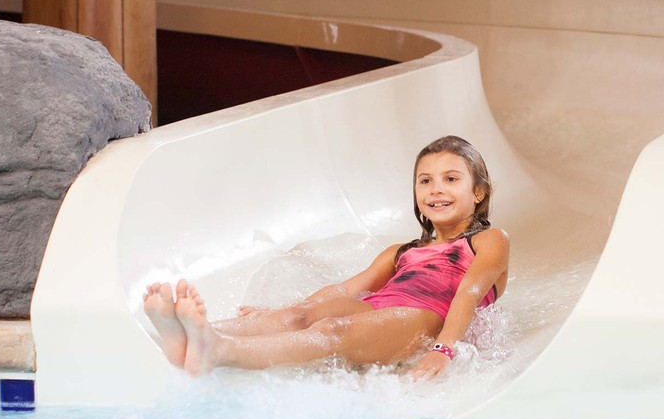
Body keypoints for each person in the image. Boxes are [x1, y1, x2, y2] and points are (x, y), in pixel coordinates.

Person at [143, 135, 510, 381]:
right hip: (382, 310)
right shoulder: (403, 251)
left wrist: (444, 349)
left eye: (451, 179)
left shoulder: (489, 240)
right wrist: (283, 312)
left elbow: (469, 293)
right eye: (425, 181)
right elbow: (347, 289)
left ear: (478, 192)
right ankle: (188, 336)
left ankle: (219, 349)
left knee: (334, 330)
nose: (436, 190)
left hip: (428, 319)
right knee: (305, 316)